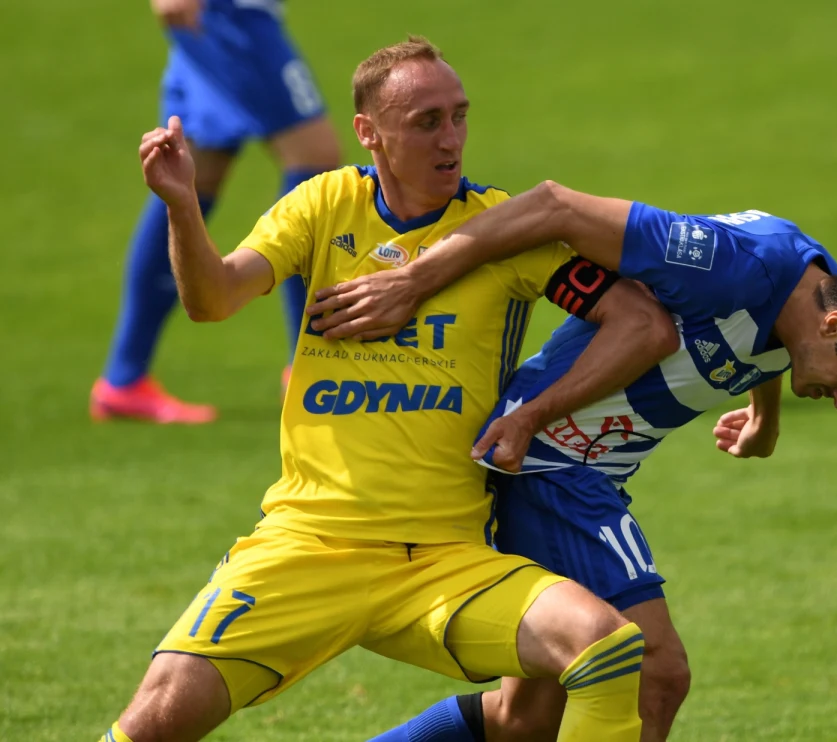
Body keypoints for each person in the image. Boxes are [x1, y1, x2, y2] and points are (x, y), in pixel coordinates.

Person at [95, 37, 683, 742]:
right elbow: (214, 298)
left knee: (605, 645)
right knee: (154, 720)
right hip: (308, 544)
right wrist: (183, 205)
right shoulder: (322, 205)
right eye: (427, 121)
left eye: (460, 116)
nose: (452, 139)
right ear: (369, 132)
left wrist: (534, 414)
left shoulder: (501, 233)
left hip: (442, 559)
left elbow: (643, 323)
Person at [308, 184, 837, 742]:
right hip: (550, 460)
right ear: (836, 322)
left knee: (522, 722)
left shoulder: (815, 293)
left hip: (577, 468)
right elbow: (554, 205)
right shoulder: (731, 265)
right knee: (656, 674)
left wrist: (765, 417)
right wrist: (416, 279)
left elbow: (776, 339)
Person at [91, 0, 342, 424]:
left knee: (195, 173)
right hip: (232, 17)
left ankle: (124, 378)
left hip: (222, 19)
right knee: (314, 156)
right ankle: (308, 365)